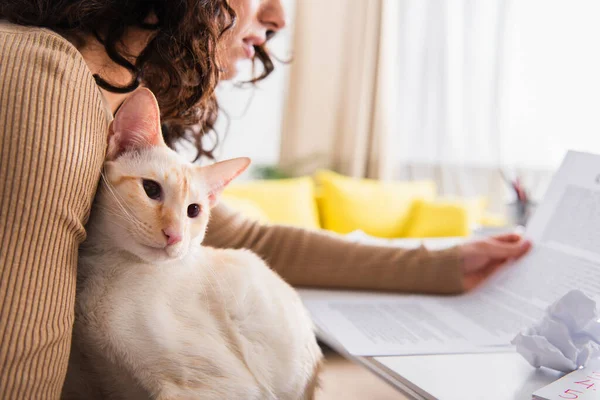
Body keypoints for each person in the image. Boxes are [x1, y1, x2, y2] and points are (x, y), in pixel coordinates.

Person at [0, 0, 531, 397]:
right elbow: (19, 369)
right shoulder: (48, 81)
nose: (279, 17)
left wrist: (446, 264)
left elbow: (251, 237)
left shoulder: (117, 102)